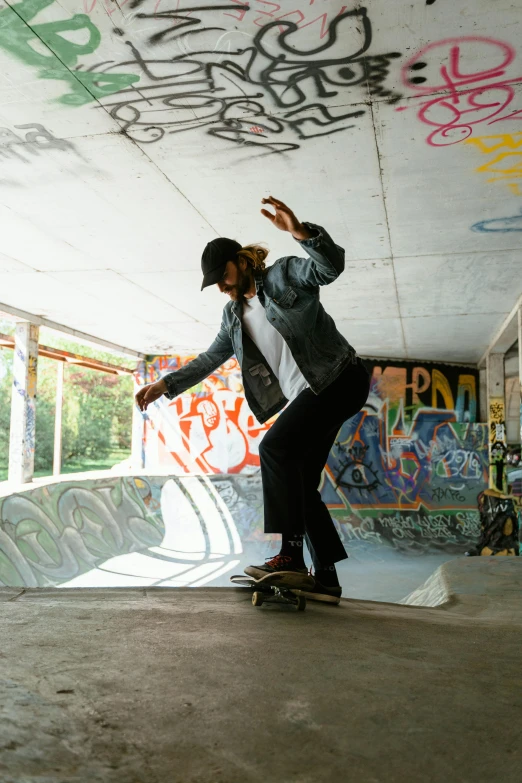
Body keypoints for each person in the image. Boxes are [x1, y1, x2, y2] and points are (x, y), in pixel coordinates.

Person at [136, 196, 370, 604]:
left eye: (224, 276)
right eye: (216, 285)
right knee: (302, 483)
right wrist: (165, 385)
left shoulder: (283, 277)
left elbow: (329, 267)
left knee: (275, 447)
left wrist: (301, 233)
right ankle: (326, 579)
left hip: (339, 379)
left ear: (242, 261)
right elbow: (211, 357)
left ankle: (291, 557)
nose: (223, 288)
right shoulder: (232, 317)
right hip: (311, 394)